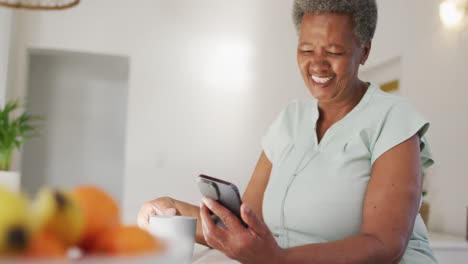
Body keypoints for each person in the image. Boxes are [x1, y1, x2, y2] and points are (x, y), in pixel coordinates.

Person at [138, 0, 438, 263]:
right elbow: (244, 225)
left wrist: (277, 259)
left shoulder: (392, 118)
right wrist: (173, 210)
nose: (317, 64)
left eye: (334, 52)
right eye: (306, 49)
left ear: (364, 51)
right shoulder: (289, 120)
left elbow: (385, 244)